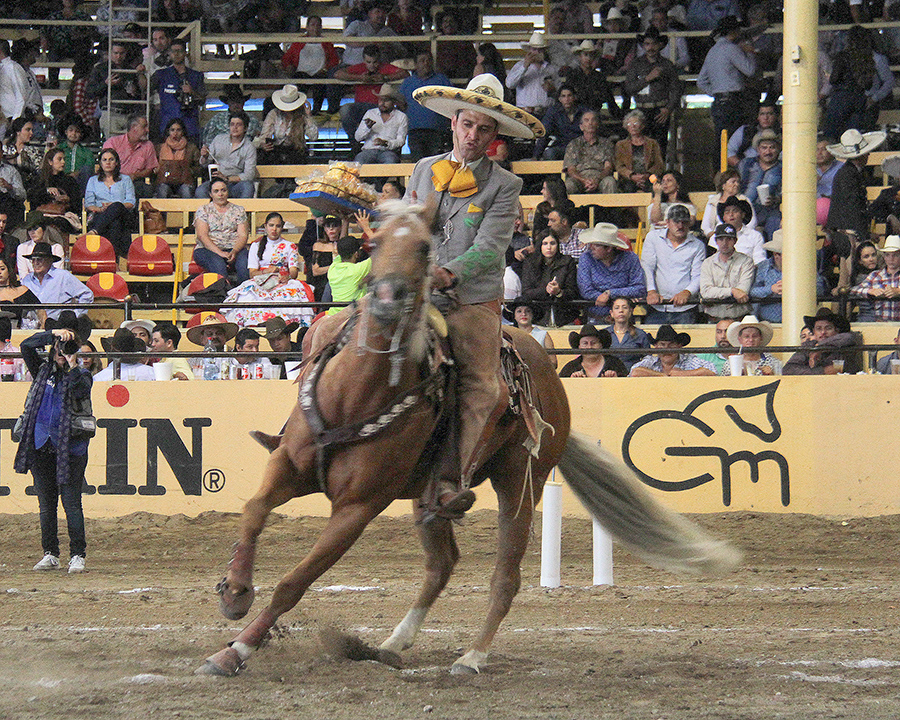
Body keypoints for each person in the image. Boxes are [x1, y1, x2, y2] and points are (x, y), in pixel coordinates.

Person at [406, 72, 542, 519]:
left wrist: (447, 273)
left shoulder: (505, 185)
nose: (473, 135)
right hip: (416, 290)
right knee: (336, 332)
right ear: (453, 124)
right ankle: (300, 438)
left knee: (484, 388)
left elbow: (489, 249)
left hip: (470, 301)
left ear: (495, 136)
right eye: (467, 125)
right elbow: (412, 227)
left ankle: (452, 479)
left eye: (484, 129)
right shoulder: (424, 170)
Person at [15, 311, 93, 572]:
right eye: (58, 348)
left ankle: (77, 554)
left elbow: (80, 390)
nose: (61, 352)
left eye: (67, 349)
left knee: (71, 502)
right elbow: (26, 345)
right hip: (41, 444)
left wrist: (71, 363)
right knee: (46, 505)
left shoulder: (82, 374)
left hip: (71, 447)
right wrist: (52, 335)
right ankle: (50, 553)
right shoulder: (41, 369)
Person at [825, 129, 887, 289]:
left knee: (847, 277)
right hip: (848, 232)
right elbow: (852, 207)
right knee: (848, 279)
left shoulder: (850, 173)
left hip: (848, 229)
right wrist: (864, 234)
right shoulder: (848, 175)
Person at [333, 44, 407, 155]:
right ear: (363, 60)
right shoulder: (359, 68)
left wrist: (385, 77)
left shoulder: (385, 67)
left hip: (379, 107)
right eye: (368, 62)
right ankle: (355, 143)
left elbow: (405, 73)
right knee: (345, 110)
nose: (372, 65)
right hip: (361, 108)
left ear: (379, 59)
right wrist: (360, 78)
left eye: (375, 62)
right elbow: (337, 74)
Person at [823, 25, 894, 140]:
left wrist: (875, 98)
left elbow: (834, 79)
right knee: (857, 137)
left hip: (845, 99)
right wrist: (874, 98)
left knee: (833, 134)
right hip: (864, 101)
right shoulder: (874, 58)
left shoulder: (844, 57)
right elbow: (888, 81)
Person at [641, 203, 707, 324]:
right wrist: (651, 291)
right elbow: (647, 266)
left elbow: (698, 275)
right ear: (667, 222)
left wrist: (687, 292)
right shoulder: (653, 238)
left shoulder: (698, 245)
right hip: (657, 306)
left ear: (689, 224)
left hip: (686, 307)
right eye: (676, 221)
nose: (680, 226)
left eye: (684, 222)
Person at [622, 26, 682, 155]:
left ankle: (658, 174)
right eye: (647, 44)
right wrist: (648, 78)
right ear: (643, 46)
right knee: (639, 146)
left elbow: (676, 89)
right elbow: (629, 88)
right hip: (641, 110)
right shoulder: (635, 64)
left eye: (654, 44)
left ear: (660, 45)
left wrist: (668, 108)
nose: (650, 47)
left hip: (660, 111)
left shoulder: (667, 65)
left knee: (660, 147)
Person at [696, 16, 757, 138]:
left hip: (719, 102)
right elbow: (750, 71)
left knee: (721, 139)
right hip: (733, 101)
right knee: (735, 139)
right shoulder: (732, 48)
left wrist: (717, 93)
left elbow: (701, 81)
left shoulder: (712, 51)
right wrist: (749, 52)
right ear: (735, 31)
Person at [751, 229, 827, 323]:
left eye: (784, 253)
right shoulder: (763, 267)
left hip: (799, 321)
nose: (779, 257)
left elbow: (819, 289)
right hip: (767, 322)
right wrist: (771, 289)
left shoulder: (805, 267)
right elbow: (753, 291)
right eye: (777, 253)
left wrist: (796, 289)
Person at [577, 222, 646, 322]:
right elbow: (585, 290)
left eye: (596, 245)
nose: (591, 247)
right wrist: (624, 295)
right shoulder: (586, 258)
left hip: (624, 319)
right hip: (596, 317)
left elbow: (640, 288)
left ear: (609, 248)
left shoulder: (630, 258)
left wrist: (609, 293)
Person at [193, 178, 250, 283]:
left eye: (223, 190)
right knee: (218, 265)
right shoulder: (203, 210)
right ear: (210, 194)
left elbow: (243, 235)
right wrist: (220, 253)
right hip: (208, 249)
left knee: (244, 265)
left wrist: (235, 251)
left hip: (234, 248)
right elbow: (202, 236)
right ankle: (222, 296)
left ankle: (243, 295)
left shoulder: (239, 210)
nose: (220, 194)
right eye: (216, 191)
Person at [280, 16, 341, 115]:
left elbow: (334, 60)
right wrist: (289, 67)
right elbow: (286, 58)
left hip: (320, 73)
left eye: (318, 25)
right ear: (307, 27)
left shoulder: (326, 43)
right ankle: (298, 110)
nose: (315, 28)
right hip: (302, 73)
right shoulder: (299, 42)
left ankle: (316, 110)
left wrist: (325, 69)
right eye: (312, 25)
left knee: (320, 83)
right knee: (298, 82)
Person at [399, 51, 451, 162]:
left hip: (437, 130)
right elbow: (402, 104)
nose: (426, 63)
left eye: (429, 60)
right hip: (414, 130)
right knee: (418, 164)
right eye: (422, 61)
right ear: (416, 64)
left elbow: (450, 102)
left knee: (435, 165)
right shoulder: (408, 82)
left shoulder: (442, 80)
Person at [519, 230, 580, 326]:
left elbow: (573, 291)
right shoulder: (530, 263)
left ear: (558, 245)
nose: (549, 247)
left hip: (564, 316)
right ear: (540, 246)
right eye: (545, 243)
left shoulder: (568, 262)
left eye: (552, 243)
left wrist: (559, 292)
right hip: (537, 316)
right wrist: (546, 291)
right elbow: (526, 292)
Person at [151, 37, 206, 144]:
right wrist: (140, 73)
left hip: (190, 127)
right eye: (173, 51)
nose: (176, 54)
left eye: (179, 51)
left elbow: (202, 100)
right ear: (169, 53)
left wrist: (192, 92)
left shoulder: (196, 76)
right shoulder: (161, 75)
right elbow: (144, 89)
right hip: (167, 127)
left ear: (185, 53)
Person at [84, 148, 136, 258]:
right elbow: (89, 203)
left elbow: (131, 202)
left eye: (111, 159)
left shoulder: (125, 179)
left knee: (116, 206)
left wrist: (113, 206)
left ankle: (95, 231)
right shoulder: (93, 180)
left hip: (124, 215)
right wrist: (101, 209)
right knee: (115, 223)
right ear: (100, 163)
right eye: (104, 160)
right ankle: (115, 259)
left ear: (116, 162)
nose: (108, 162)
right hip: (100, 214)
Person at [21, 242, 93, 320]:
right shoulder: (27, 280)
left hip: (58, 326)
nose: (35, 263)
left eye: (39, 260)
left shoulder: (63, 276)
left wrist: (74, 316)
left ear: (50, 261)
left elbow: (87, 295)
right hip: (31, 326)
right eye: (33, 260)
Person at [85, 41, 143, 137]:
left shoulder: (130, 70)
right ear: (110, 53)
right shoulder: (100, 69)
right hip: (110, 112)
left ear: (125, 54)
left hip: (129, 114)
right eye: (116, 53)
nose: (118, 56)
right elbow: (90, 92)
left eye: (121, 53)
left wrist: (134, 92)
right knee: (113, 147)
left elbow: (138, 95)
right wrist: (106, 84)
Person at [700, 222, 755, 320]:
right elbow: (706, 292)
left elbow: (743, 291)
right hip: (714, 317)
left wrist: (717, 293)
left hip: (739, 317)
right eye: (721, 239)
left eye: (729, 239)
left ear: (735, 241)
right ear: (716, 241)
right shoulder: (707, 263)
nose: (724, 243)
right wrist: (732, 291)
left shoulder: (746, 261)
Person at [255, 85, 318, 169]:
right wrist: (263, 144)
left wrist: (308, 116)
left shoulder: (302, 116)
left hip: (297, 154)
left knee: (296, 156)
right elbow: (264, 136)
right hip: (277, 153)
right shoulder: (274, 114)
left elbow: (313, 137)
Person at [197, 111, 257, 199]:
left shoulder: (249, 147)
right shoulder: (218, 139)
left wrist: (227, 179)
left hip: (235, 184)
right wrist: (205, 156)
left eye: (238, 125)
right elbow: (204, 164)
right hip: (216, 182)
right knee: (200, 191)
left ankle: (241, 212)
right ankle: (210, 212)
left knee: (248, 187)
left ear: (245, 128)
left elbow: (249, 174)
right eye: (232, 124)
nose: (235, 128)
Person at [783, 307, 861, 375]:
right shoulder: (808, 346)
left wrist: (819, 348)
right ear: (814, 331)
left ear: (837, 331)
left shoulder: (845, 343)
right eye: (819, 328)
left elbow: (849, 337)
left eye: (828, 328)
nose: (823, 332)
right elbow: (788, 369)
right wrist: (822, 371)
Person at [102, 114, 158, 199]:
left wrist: (135, 175)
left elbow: (149, 169)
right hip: (115, 180)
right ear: (134, 127)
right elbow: (105, 164)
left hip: (136, 181)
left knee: (146, 189)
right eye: (144, 127)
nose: (147, 130)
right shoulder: (113, 142)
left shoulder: (148, 146)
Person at [739, 130, 782, 240]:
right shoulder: (746, 164)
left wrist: (777, 199)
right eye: (764, 147)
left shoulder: (783, 168)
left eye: (772, 147)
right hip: (745, 208)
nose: (768, 151)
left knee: (775, 222)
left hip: (770, 211)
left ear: (778, 149)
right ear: (758, 149)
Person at [506, 32, 559, 117]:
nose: (537, 52)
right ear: (529, 50)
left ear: (544, 51)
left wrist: (552, 89)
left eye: (540, 50)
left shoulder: (551, 69)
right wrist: (525, 67)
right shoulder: (520, 66)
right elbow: (509, 84)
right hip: (526, 112)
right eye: (534, 49)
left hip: (547, 112)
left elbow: (559, 90)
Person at [563, 110, 617, 195]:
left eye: (593, 120)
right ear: (581, 127)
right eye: (586, 120)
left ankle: (610, 209)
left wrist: (596, 180)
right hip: (579, 179)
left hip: (600, 178)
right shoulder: (573, 144)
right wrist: (584, 181)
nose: (590, 123)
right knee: (568, 185)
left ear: (598, 125)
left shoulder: (607, 144)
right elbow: (571, 169)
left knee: (610, 182)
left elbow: (608, 167)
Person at [629, 324, 717, 376]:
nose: (667, 349)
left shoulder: (689, 360)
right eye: (662, 345)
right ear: (656, 346)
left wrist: (683, 374)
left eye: (671, 345)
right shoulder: (650, 360)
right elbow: (634, 372)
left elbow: (712, 371)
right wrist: (662, 376)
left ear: (679, 346)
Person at [851, 234, 900, 322]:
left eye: (895, 255)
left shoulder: (875, 276)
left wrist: (898, 291)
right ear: (884, 256)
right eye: (888, 255)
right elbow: (853, 290)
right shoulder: (875, 275)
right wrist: (870, 291)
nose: (891, 259)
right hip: (879, 325)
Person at [354, 84, 408, 164]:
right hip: (369, 150)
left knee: (390, 161)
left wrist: (385, 143)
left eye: (386, 100)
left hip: (388, 152)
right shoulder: (370, 113)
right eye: (380, 100)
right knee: (359, 161)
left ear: (393, 102)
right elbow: (357, 138)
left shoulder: (401, 116)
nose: (382, 103)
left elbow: (401, 141)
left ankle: (379, 177)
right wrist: (367, 127)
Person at [615, 110, 665, 192]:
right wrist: (632, 176)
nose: (633, 126)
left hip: (649, 176)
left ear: (642, 126)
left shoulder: (652, 143)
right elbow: (619, 166)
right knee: (628, 188)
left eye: (636, 124)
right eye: (629, 124)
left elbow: (659, 165)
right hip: (629, 178)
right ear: (626, 127)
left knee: (654, 187)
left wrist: (646, 176)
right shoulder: (621, 145)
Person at [533, 85, 587, 162]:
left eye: (569, 96)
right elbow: (544, 133)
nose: (567, 99)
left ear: (574, 97)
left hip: (581, 146)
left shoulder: (584, 111)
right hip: (562, 146)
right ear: (560, 99)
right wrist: (536, 156)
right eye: (563, 96)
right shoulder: (554, 112)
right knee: (549, 153)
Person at [701, 167, 757, 238]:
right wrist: (714, 237)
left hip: (742, 237)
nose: (736, 184)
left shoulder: (744, 200)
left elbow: (752, 223)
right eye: (733, 182)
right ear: (723, 185)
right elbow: (705, 226)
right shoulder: (713, 201)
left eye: (738, 182)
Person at [30, 148, 83, 219]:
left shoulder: (69, 181)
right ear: (50, 162)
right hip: (42, 214)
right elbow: (32, 198)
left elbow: (77, 203)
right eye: (59, 159)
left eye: (64, 159)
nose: (63, 162)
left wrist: (68, 199)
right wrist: (47, 191)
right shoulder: (39, 179)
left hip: (63, 215)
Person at [711, 195, 765, 264]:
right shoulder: (715, 237)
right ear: (724, 217)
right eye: (727, 212)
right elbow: (711, 263)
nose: (731, 214)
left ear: (743, 214)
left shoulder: (755, 236)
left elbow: (760, 262)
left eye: (735, 211)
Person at [155, 117, 201, 199]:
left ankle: (189, 212)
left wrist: (189, 170)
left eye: (178, 130)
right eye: (172, 130)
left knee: (186, 191)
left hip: (184, 182)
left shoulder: (191, 148)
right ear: (168, 132)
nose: (175, 133)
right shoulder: (159, 148)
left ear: (183, 132)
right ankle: (161, 212)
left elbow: (199, 167)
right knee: (162, 190)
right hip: (165, 182)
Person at [326, 235, 373, 315]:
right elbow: (381, 251)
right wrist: (366, 228)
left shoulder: (332, 268)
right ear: (356, 254)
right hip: (353, 315)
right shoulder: (358, 270)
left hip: (333, 314)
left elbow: (341, 252)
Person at [559, 324, 627, 377]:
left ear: (601, 345)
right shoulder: (570, 367)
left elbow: (627, 386)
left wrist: (616, 380)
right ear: (579, 347)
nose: (589, 347)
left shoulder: (615, 364)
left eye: (593, 343)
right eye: (585, 343)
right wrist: (572, 382)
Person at [605, 295, 651, 373]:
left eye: (625, 307)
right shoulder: (604, 334)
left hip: (633, 377)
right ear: (611, 313)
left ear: (630, 312)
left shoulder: (640, 334)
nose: (621, 311)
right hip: (608, 376)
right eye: (617, 308)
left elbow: (648, 359)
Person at [249, 212, 302, 280]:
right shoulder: (256, 246)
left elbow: (293, 271)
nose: (274, 229)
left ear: (282, 227)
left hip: (283, 280)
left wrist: (286, 277)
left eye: (278, 226)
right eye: (271, 225)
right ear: (265, 226)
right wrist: (268, 271)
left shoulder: (290, 246)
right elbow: (252, 274)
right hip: (261, 280)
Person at [506, 296, 556, 369]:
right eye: (519, 311)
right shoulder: (508, 335)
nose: (524, 314)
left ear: (532, 314)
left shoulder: (543, 335)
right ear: (514, 315)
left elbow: (553, 363)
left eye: (528, 311)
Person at [727, 102, 779, 168]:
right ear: (757, 116)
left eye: (770, 114)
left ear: (776, 116)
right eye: (762, 114)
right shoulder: (745, 131)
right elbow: (728, 152)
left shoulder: (784, 133)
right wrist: (742, 166)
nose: (766, 117)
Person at [16, 212, 65, 279]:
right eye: (29, 229)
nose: (32, 232)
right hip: (29, 286)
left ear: (43, 229)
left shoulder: (56, 248)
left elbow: (58, 274)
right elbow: (23, 275)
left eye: (35, 228)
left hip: (52, 285)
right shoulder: (22, 248)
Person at [0, 253, 43, 327]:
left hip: (26, 329)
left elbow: (40, 310)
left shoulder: (23, 290)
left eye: (2, 269)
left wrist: (43, 328)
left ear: (9, 271)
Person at [434, 11, 477, 81]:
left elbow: (472, 61)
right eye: (445, 21)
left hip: (462, 78)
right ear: (441, 25)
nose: (448, 24)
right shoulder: (436, 42)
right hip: (442, 79)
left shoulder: (465, 41)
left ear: (456, 24)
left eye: (451, 21)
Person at [848, 240, 882, 321]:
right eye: (866, 256)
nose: (871, 259)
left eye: (873, 255)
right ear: (860, 261)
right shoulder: (861, 278)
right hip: (867, 317)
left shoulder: (881, 274)